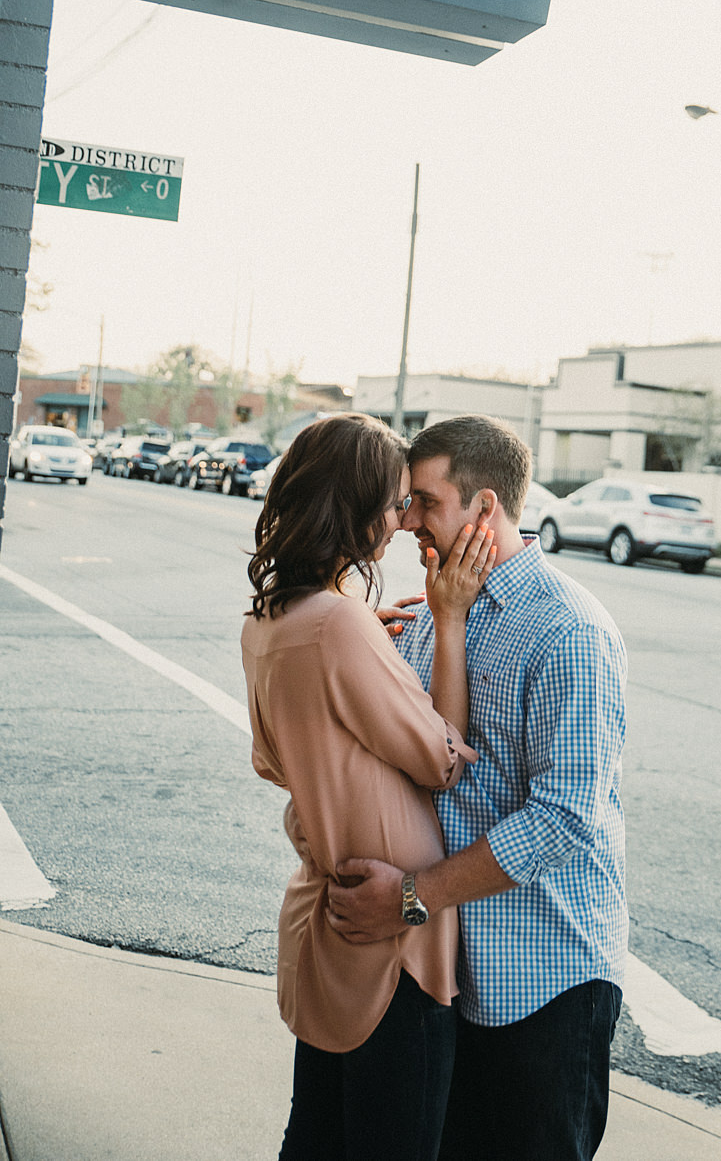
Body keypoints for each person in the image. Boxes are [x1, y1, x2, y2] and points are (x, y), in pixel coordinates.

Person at [327, 415, 628, 1161]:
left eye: (424, 503)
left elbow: (563, 820)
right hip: (454, 971)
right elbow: (428, 761)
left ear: (483, 508)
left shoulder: (568, 631)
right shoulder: (436, 609)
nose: (406, 526)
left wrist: (408, 896)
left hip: (546, 978)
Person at [241, 413, 496, 1161]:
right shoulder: (337, 628)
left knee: (318, 1138)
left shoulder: (272, 619)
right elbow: (442, 760)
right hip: (392, 950)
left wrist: (356, 647)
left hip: (329, 928)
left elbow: (275, 759)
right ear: (352, 507)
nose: (401, 521)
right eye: (392, 502)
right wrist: (447, 622)